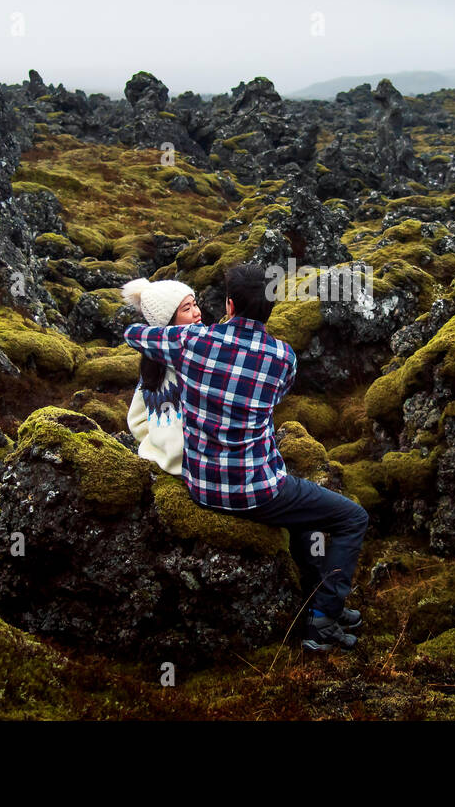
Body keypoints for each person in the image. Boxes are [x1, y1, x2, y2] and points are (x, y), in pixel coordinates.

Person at [122, 263, 369, 652]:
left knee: (303, 516)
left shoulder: (192, 342)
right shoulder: (283, 358)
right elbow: (273, 397)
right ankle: (324, 621)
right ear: (271, 308)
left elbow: (133, 334)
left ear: (230, 305)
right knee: (353, 517)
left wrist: (169, 328)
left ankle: (316, 598)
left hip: (201, 486)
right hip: (257, 491)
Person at [120, 278, 202, 475]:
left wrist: (157, 442)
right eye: (186, 308)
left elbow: (136, 421)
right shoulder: (197, 358)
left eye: (195, 303)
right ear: (168, 321)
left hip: (156, 461)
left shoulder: (151, 363)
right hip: (193, 467)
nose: (197, 312)